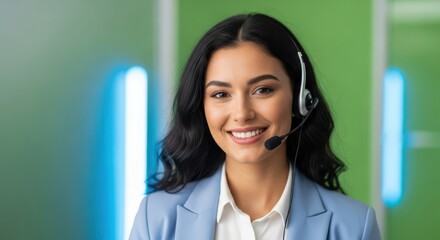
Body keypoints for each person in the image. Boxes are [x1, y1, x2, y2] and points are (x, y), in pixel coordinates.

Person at [129, 13, 381, 240]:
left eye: (263, 90)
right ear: (201, 106)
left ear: (299, 99)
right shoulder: (157, 220)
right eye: (220, 94)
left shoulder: (354, 227)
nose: (241, 113)